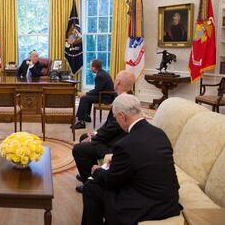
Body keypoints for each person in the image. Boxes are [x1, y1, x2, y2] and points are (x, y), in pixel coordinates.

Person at [81, 94, 181, 225]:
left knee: (91, 187)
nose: (117, 121)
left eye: (116, 118)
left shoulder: (125, 144)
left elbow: (111, 181)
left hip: (150, 205)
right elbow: (142, 161)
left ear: (122, 116)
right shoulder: (159, 133)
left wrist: (97, 171)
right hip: (169, 201)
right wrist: (118, 163)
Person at [72, 70, 135, 193]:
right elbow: (109, 125)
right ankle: (89, 173)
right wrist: (94, 133)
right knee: (84, 136)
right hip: (114, 138)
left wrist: (94, 138)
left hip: (114, 145)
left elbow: (113, 128)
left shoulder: (123, 102)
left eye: (116, 78)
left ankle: (89, 185)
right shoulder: (125, 97)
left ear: (118, 82)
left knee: (78, 149)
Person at [73, 59, 114, 129]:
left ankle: (81, 122)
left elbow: (97, 91)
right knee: (88, 97)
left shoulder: (100, 76)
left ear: (94, 67)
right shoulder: (102, 73)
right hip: (106, 95)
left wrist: (86, 94)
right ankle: (86, 116)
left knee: (84, 98)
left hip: (105, 98)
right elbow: (98, 89)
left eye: (90, 66)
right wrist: (88, 94)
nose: (90, 68)